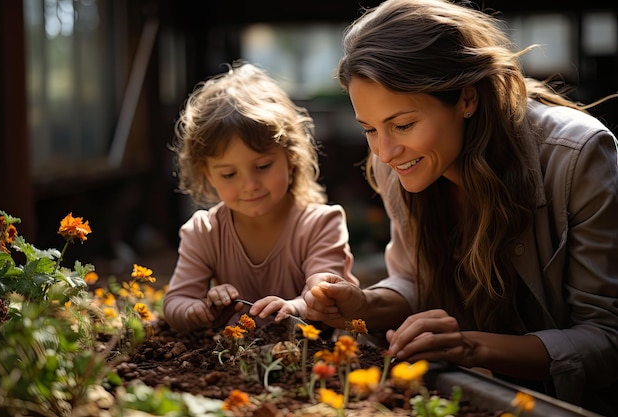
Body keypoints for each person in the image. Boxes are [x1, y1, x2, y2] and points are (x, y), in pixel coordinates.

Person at [302, 0, 618, 414]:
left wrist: (470, 346)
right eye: (369, 130)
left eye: (402, 125)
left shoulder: (578, 157)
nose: (385, 151)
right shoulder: (393, 164)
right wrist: (364, 305)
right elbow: (415, 280)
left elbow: (606, 339)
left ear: (466, 99)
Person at [163, 62, 358, 333]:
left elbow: (327, 295)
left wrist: (295, 308)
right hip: (239, 360)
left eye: (263, 166)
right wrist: (201, 310)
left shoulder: (320, 225)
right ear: (207, 174)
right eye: (229, 174)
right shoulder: (204, 232)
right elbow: (175, 302)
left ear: (290, 158)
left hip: (314, 357)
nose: (250, 185)